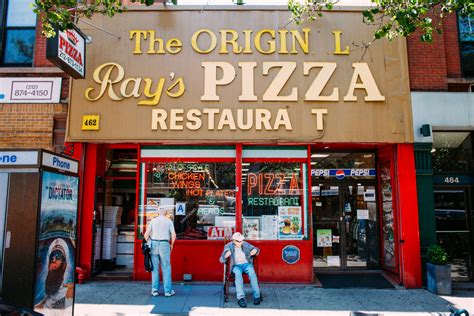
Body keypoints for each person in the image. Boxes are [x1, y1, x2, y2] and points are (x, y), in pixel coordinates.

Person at [220, 232, 261, 308]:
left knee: (252, 274)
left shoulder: (245, 244)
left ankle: (257, 296)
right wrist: (226, 255)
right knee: (238, 276)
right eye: (239, 241)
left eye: (241, 240)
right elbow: (221, 259)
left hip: (247, 264)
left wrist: (255, 251)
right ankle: (240, 298)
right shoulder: (228, 246)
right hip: (236, 266)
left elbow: (256, 249)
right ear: (234, 241)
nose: (241, 242)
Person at [144, 206, 177, 297]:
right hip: (164, 244)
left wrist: (149, 242)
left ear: (158, 212)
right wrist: (172, 244)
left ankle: (154, 290)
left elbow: (146, 235)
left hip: (154, 243)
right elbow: (173, 235)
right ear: (165, 213)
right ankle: (167, 291)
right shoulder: (168, 221)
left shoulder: (153, 221)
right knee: (166, 268)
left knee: (155, 268)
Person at [35, 238, 74, 310]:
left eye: (58, 257)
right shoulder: (45, 294)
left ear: (64, 265)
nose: (53, 260)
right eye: (51, 256)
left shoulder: (68, 291)